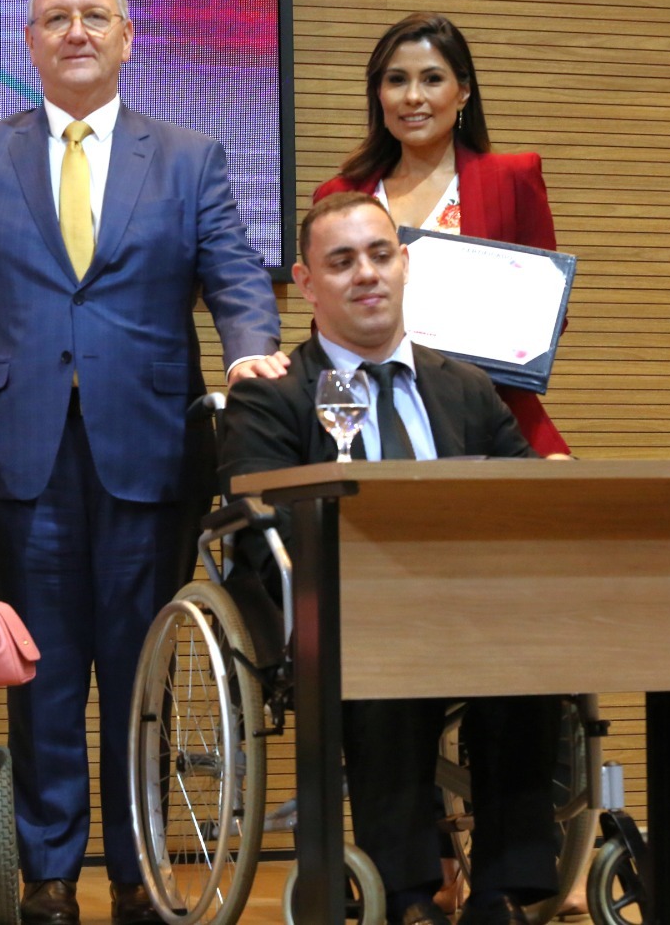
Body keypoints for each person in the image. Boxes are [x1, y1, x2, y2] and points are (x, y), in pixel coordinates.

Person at [0, 0, 286, 925]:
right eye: (56, 17)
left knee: (144, 668)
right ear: (29, 41)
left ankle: (139, 874)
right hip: (22, 454)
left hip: (152, 447)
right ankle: (52, 875)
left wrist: (250, 350)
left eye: (94, 15)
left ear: (126, 37)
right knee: (43, 672)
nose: (76, 31)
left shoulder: (188, 157)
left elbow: (234, 274)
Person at [221, 191, 561, 925]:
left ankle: (505, 891)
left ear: (406, 264)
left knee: (536, 644)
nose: (367, 274)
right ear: (307, 283)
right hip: (341, 609)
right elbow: (259, 530)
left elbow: (524, 498)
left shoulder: (465, 387)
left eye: (380, 255)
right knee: (378, 641)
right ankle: (406, 894)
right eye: (342, 262)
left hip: (470, 607)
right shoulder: (273, 395)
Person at [314, 11, 571, 458]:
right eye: (397, 80)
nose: (413, 97)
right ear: (379, 94)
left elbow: (546, 314)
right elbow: (325, 317)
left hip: (491, 414)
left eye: (432, 79)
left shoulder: (512, 178)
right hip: (370, 416)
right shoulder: (338, 195)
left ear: (463, 91)